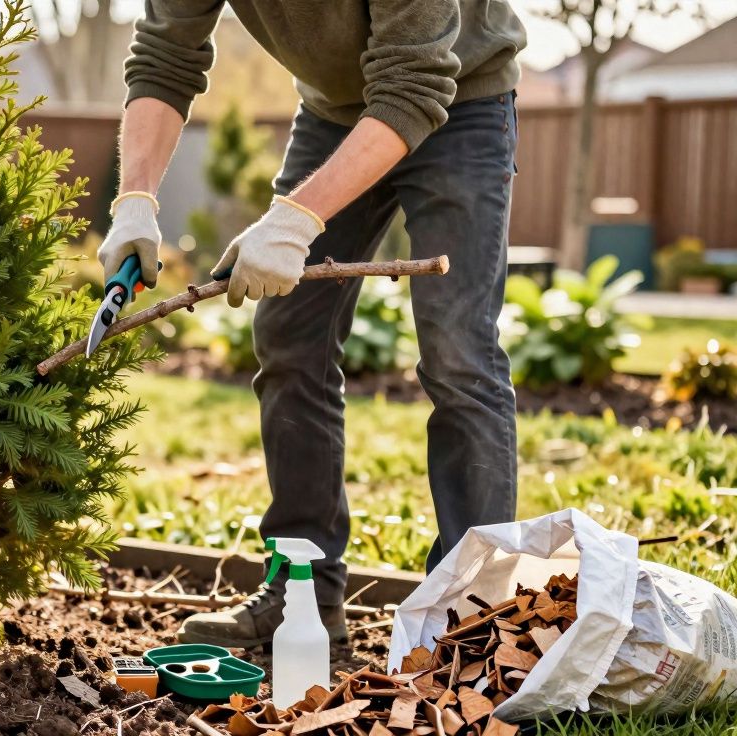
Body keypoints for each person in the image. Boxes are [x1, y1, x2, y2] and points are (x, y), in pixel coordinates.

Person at [98, 1, 527, 649]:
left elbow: (414, 82)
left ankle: (473, 618)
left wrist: (296, 220)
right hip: (334, 113)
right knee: (290, 335)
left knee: (459, 352)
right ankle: (303, 594)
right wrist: (135, 199)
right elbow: (164, 57)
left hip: (459, 99)